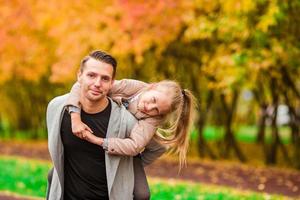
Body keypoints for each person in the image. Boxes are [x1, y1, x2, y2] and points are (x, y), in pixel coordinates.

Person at [46, 50, 166, 200]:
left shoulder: (128, 121)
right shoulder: (56, 108)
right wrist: (75, 118)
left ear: (111, 83)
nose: (97, 83)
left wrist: (128, 164)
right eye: (91, 75)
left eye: (104, 78)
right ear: (79, 76)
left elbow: (158, 147)